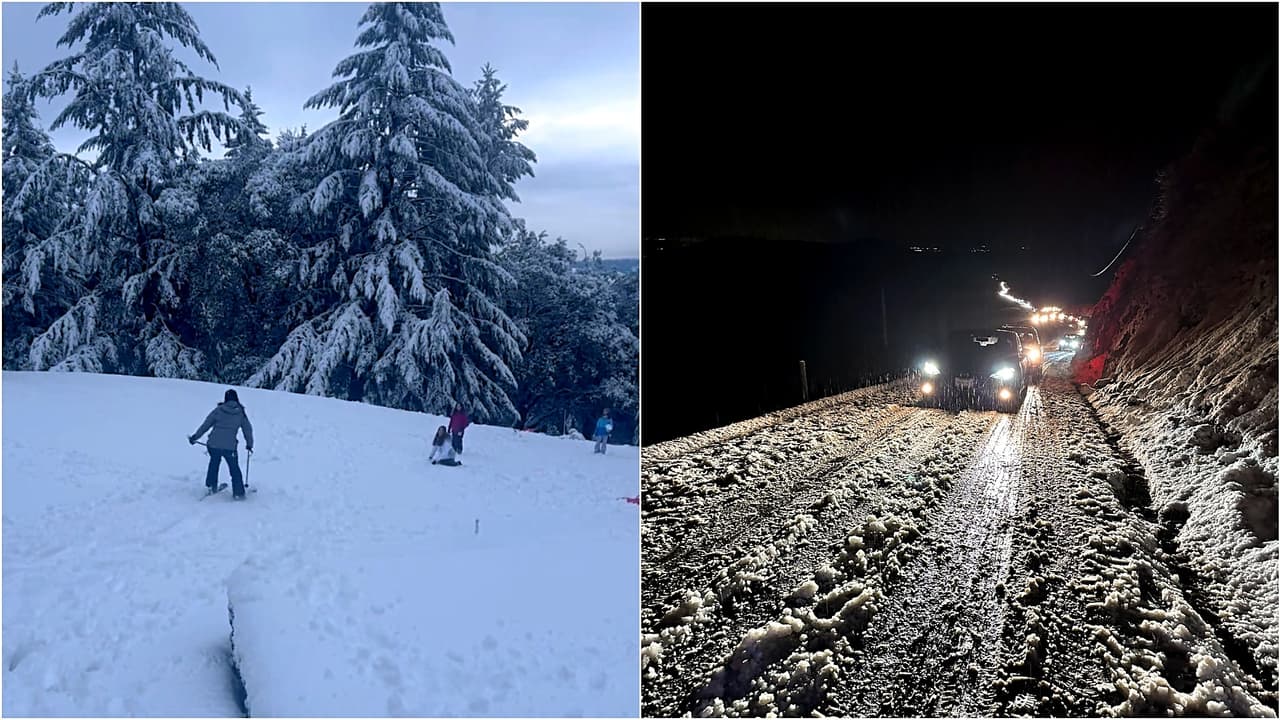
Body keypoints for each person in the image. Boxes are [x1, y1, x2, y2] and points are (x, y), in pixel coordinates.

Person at [190, 389, 254, 499]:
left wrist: (195, 437)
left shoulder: (218, 410)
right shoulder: (240, 413)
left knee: (214, 464)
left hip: (213, 445)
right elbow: (247, 429)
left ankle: (211, 486)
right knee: (234, 469)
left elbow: (206, 425)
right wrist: (249, 444)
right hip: (230, 447)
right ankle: (238, 493)